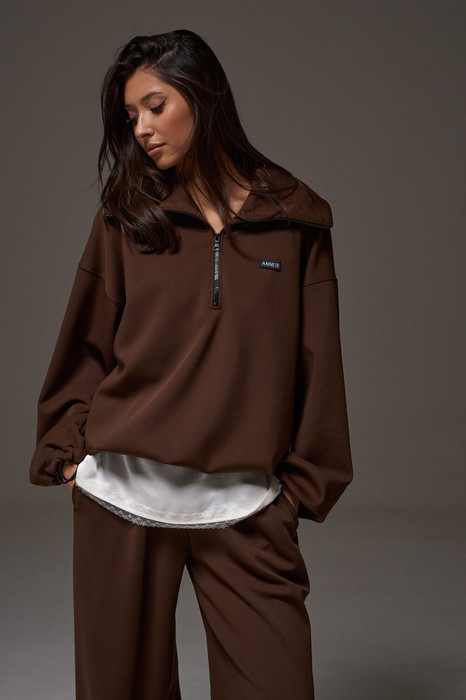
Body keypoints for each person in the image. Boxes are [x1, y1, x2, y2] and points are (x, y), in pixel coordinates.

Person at [29, 29, 353, 700]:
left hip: (247, 505)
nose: (142, 129)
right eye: (131, 116)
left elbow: (319, 363)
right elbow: (85, 343)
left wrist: (301, 488)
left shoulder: (295, 222)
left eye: (156, 106)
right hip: (121, 498)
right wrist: (68, 459)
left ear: (204, 98)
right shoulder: (126, 217)